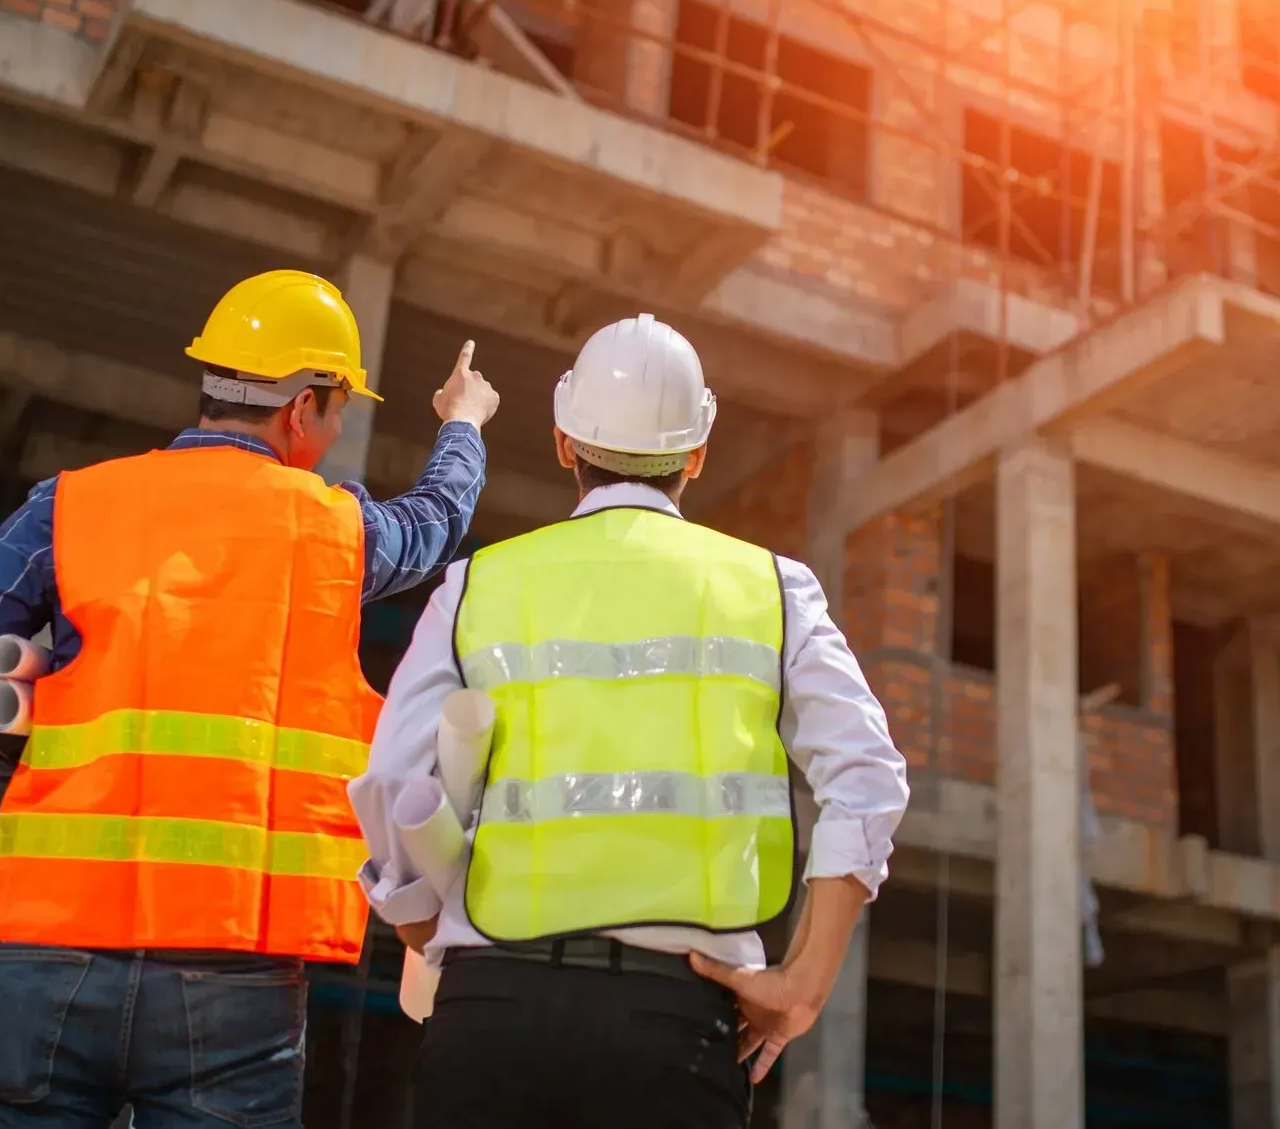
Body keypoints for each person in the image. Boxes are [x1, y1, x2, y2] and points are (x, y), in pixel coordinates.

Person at [0, 269, 500, 1128]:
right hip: (234, 973)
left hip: (48, 953)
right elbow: (438, 519)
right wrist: (462, 426)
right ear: (305, 409)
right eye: (339, 413)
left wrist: (62, 765)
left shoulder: (66, 508)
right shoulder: (336, 532)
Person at [352, 312, 910, 1129]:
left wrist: (425, 927)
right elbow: (866, 778)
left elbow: (393, 780)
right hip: (677, 1025)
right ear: (697, 454)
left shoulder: (478, 586)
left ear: (563, 441)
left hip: (492, 1013)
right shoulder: (772, 590)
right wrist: (802, 986)